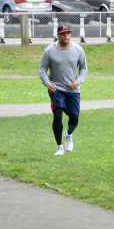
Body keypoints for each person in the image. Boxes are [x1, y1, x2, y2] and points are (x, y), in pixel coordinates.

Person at [38, 24, 88, 156]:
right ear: (58, 35)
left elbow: (83, 68)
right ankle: (59, 147)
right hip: (56, 88)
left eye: (68, 33)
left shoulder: (77, 49)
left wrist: (77, 82)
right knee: (58, 114)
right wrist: (47, 83)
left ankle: (68, 134)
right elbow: (42, 69)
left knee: (74, 118)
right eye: (63, 33)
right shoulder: (49, 51)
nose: (66, 36)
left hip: (73, 89)